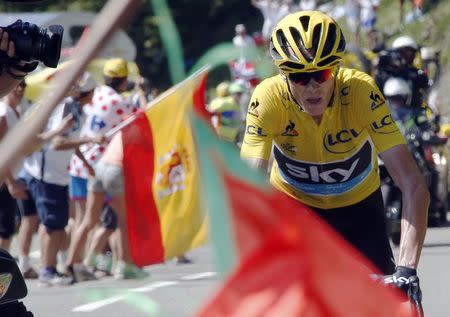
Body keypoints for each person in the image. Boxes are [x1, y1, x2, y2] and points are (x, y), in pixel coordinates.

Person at [240, 11, 428, 293]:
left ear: (337, 69)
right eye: (300, 77)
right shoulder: (268, 99)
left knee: (392, 301)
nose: (312, 86)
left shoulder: (360, 91)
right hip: (297, 210)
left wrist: (407, 269)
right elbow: (248, 187)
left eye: (322, 73)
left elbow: (412, 184)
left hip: (360, 209)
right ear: (283, 74)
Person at [20, 72, 102, 286]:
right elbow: (57, 142)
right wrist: (91, 139)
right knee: (52, 224)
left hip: (58, 174)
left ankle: (50, 267)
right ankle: (48, 270)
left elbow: (71, 140)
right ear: (88, 93)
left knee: (55, 222)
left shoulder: (76, 109)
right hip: (47, 174)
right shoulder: (68, 108)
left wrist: (84, 161)